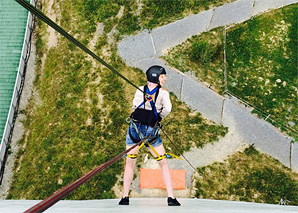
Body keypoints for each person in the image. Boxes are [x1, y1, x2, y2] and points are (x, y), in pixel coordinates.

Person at [119, 65, 181, 206]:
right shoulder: (163, 93)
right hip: (150, 132)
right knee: (163, 163)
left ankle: (124, 197)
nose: (165, 78)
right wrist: (158, 117)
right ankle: (171, 198)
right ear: (157, 78)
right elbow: (168, 109)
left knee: (130, 164)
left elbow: (135, 106)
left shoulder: (140, 89)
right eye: (162, 76)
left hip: (134, 129)